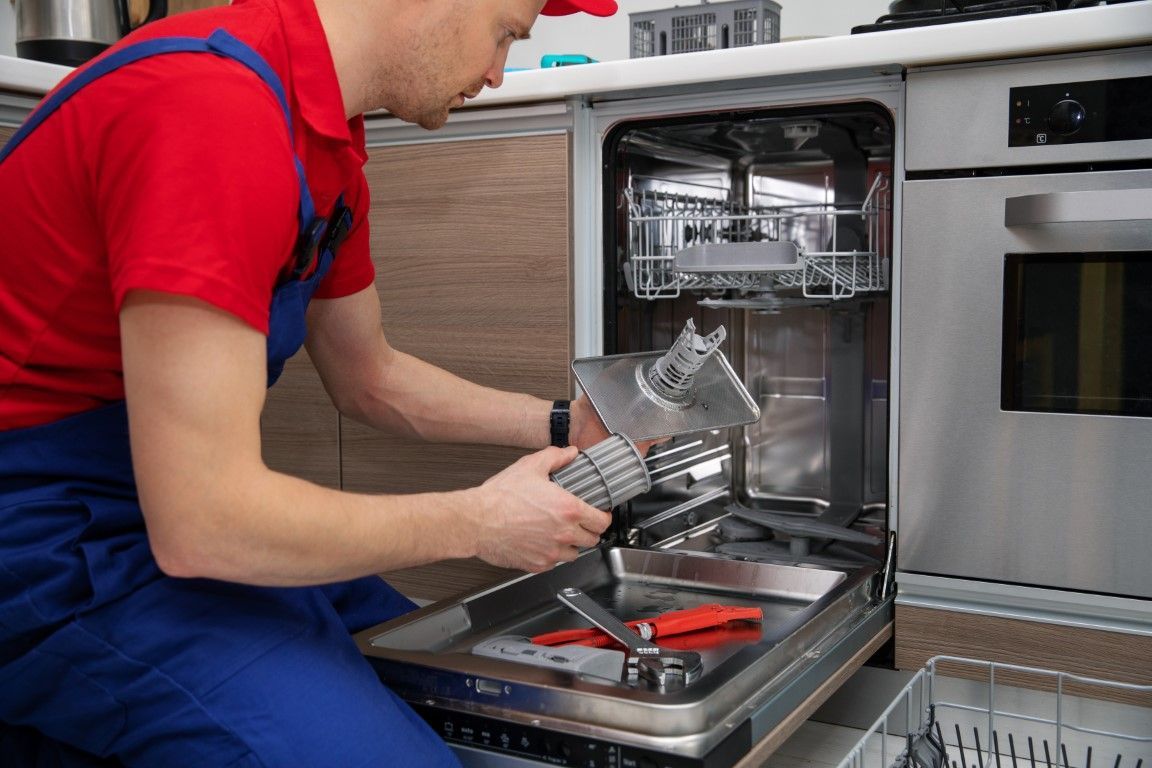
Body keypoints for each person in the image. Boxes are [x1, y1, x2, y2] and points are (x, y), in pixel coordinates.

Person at [0, 0, 619, 764]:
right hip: (45, 548)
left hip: (144, 509)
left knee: (452, 677)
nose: (497, 72)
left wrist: (565, 425)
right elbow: (207, 522)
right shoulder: (211, 106)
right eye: (506, 33)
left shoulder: (326, 142)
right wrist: (481, 522)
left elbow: (372, 379)